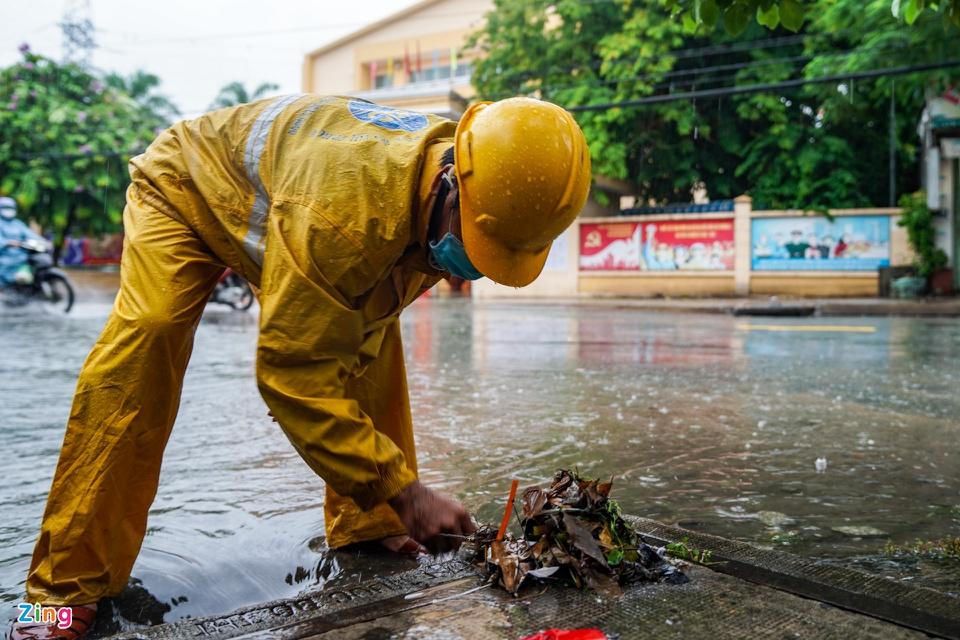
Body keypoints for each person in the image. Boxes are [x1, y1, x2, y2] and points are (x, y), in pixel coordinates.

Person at [11, 95, 591, 640]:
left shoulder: (469, 175)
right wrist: (406, 491)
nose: (467, 271)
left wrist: (391, 501)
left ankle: (370, 526)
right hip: (185, 189)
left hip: (301, 213)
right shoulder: (345, 217)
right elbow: (292, 375)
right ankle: (58, 592)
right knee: (146, 343)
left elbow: (350, 339)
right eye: (474, 244)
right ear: (450, 184)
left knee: (369, 332)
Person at [0, 196, 46, 287]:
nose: (9, 210)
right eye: (6, 208)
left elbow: (30, 234)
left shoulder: (18, 224)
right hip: (5, 256)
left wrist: (43, 241)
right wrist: (7, 243)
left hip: (21, 256)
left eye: (11, 208)